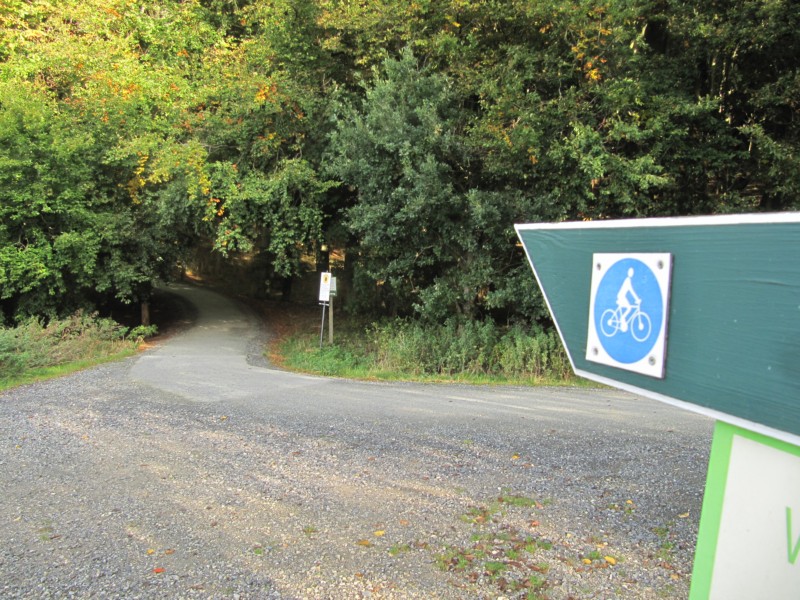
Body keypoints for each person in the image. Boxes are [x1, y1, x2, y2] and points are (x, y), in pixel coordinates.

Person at [616, 267, 641, 332]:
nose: (631, 274)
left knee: (629, 307)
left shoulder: (628, 280)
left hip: (622, 296)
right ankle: (622, 318)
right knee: (629, 308)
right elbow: (631, 290)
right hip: (621, 296)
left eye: (632, 273)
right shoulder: (628, 280)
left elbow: (631, 290)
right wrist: (637, 299)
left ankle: (623, 319)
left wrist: (637, 298)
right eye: (631, 272)